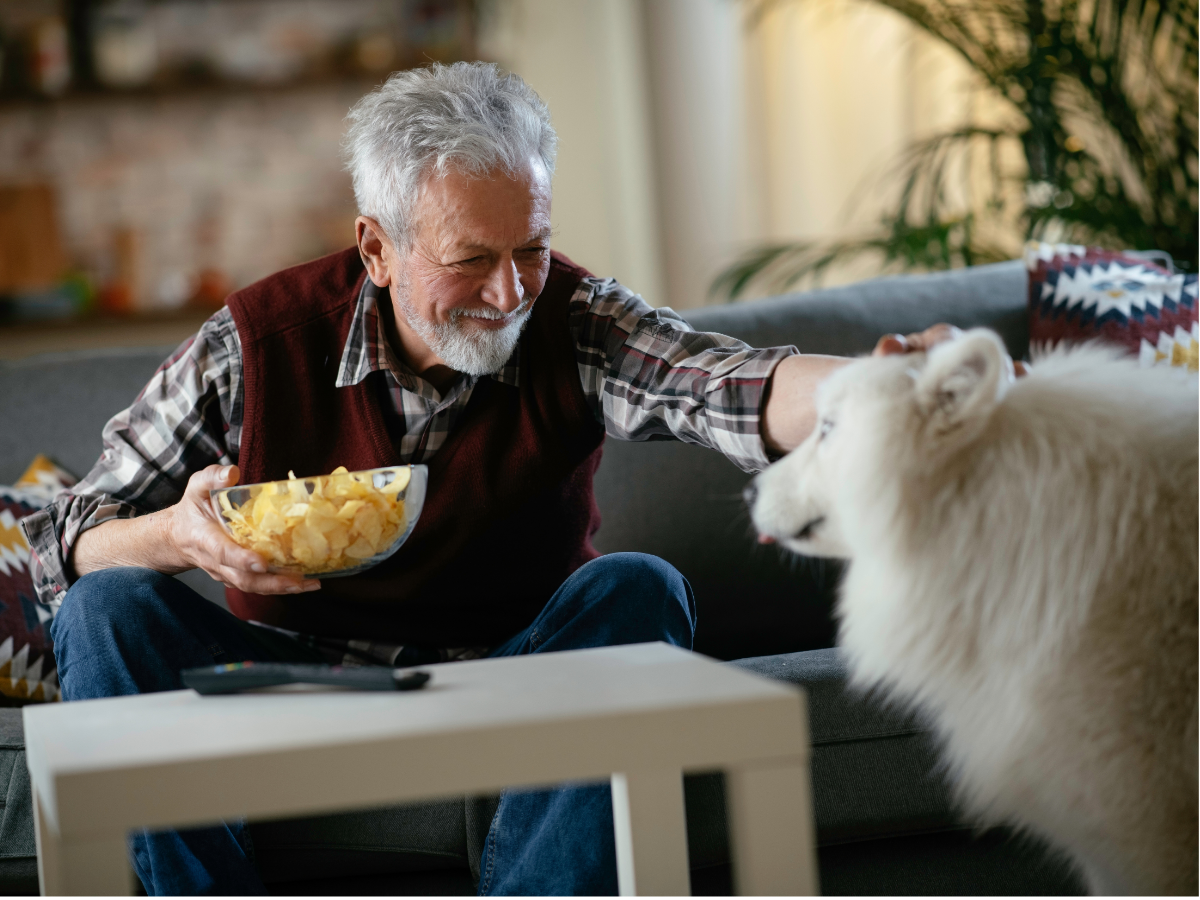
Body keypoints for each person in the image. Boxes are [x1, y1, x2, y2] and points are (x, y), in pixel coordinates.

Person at [21, 61, 955, 895]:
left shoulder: (578, 320)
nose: (510, 293)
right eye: (471, 259)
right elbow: (62, 540)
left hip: (515, 671)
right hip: (290, 685)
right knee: (104, 609)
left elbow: (726, 383)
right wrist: (171, 538)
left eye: (532, 249)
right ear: (377, 250)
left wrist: (887, 385)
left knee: (639, 588)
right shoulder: (258, 343)